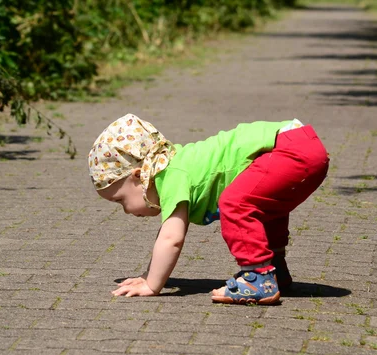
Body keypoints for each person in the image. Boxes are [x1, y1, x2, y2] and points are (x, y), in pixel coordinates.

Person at [88, 113, 329, 305]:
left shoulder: (171, 175)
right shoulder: (179, 166)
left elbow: (171, 238)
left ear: (139, 176)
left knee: (235, 203)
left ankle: (258, 278)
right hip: (302, 143)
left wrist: (151, 283)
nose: (126, 211)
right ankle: (274, 271)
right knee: (260, 206)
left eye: (120, 200)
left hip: (289, 150)